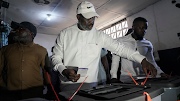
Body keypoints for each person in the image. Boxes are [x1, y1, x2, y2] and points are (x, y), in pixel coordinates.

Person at [51, 1, 157, 92]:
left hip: (91, 86)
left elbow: (120, 48)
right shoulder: (65, 34)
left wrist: (142, 60)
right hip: (68, 86)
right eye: (88, 18)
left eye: (93, 18)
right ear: (78, 17)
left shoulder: (99, 35)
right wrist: (63, 70)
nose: (91, 22)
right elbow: (56, 57)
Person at [0, 21, 52, 100]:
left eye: (21, 29)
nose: (17, 31)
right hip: (10, 94)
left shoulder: (42, 50)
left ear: (31, 33)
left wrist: (50, 89)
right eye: (17, 29)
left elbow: (46, 71)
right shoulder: (5, 50)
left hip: (34, 94)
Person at [110, 17, 168, 82]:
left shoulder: (148, 44)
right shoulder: (122, 41)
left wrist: (160, 72)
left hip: (142, 77)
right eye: (141, 28)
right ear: (133, 27)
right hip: (126, 77)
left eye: (145, 28)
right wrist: (113, 77)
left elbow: (151, 61)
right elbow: (115, 60)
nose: (144, 31)